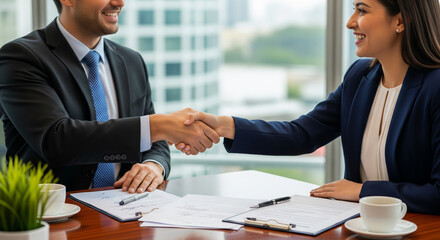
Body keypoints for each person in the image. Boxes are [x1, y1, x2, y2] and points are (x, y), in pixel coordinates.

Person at [174, 0, 440, 214]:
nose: (350, 22)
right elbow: (302, 134)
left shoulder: (435, 87)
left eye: (362, 10)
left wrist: (363, 191)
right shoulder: (360, 77)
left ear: (400, 20)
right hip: (360, 227)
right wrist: (224, 126)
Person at [0, 0, 219, 192]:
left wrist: (154, 166)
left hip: (125, 211)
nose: (119, 2)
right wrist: (158, 125)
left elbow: (154, 140)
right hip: (50, 219)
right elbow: (57, 140)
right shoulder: (20, 58)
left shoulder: (132, 61)